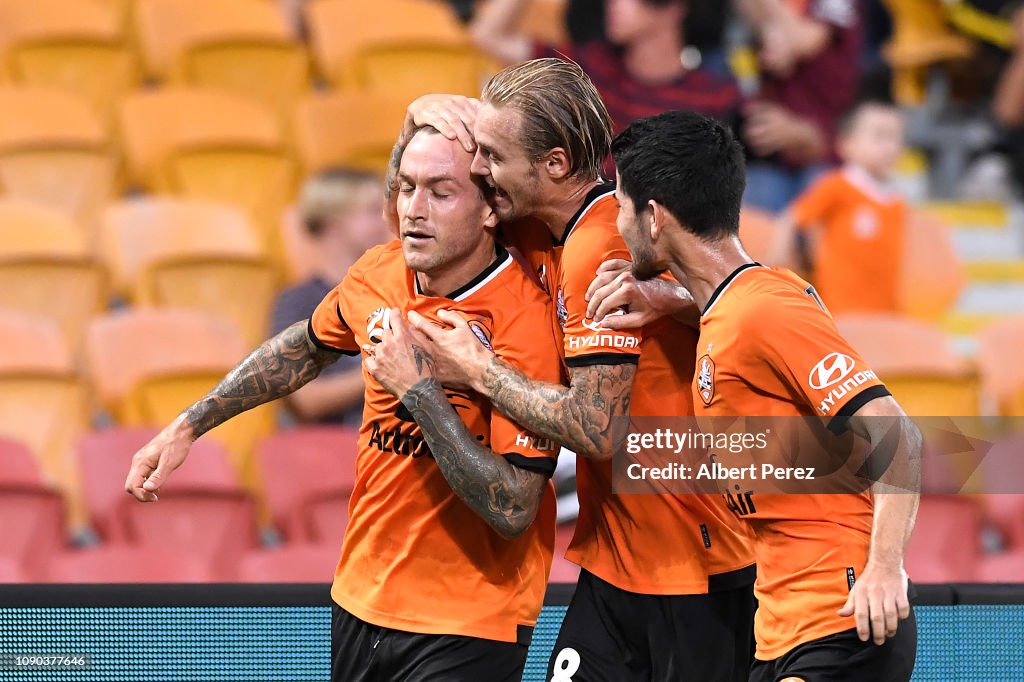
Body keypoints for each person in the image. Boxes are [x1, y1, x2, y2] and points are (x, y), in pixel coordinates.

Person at [124, 126, 564, 682]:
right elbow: (303, 346)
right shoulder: (378, 272)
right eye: (406, 189)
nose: (414, 210)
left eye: (440, 192)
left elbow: (512, 510)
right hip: (361, 597)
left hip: (470, 619)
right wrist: (189, 424)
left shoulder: (526, 322)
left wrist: (418, 391)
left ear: (489, 210)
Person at [395, 58, 755, 682]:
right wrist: (419, 112)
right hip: (619, 562)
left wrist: (479, 371)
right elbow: (416, 208)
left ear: (554, 165)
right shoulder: (544, 227)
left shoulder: (601, 244)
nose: (480, 171)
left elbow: (595, 429)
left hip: (692, 570)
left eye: (493, 157)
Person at [608, 109, 920, 680]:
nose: (618, 223)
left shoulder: (764, 310)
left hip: (844, 617)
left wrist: (885, 567)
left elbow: (895, 431)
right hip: (781, 629)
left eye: (622, 206)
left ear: (654, 217)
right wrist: (675, 303)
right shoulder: (737, 307)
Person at [469, 0, 741, 136]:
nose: (612, 5)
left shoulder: (714, 96)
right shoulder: (592, 65)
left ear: (672, 8)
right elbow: (487, 35)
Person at [272, 168, 390, 425]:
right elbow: (304, 400)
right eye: (371, 211)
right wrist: (388, 369)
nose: (385, 220)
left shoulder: (388, 295)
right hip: (330, 450)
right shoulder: (299, 302)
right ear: (334, 222)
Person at [770, 100, 908, 316]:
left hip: (884, 312)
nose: (890, 146)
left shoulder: (897, 200)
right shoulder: (837, 185)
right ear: (847, 144)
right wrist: (779, 260)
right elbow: (791, 218)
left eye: (895, 137)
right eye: (879, 136)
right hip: (840, 311)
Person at [738, 0, 863, 212]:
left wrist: (776, 30)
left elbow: (806, 39)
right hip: (772, 153)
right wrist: (771, 32)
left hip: (827, 151)